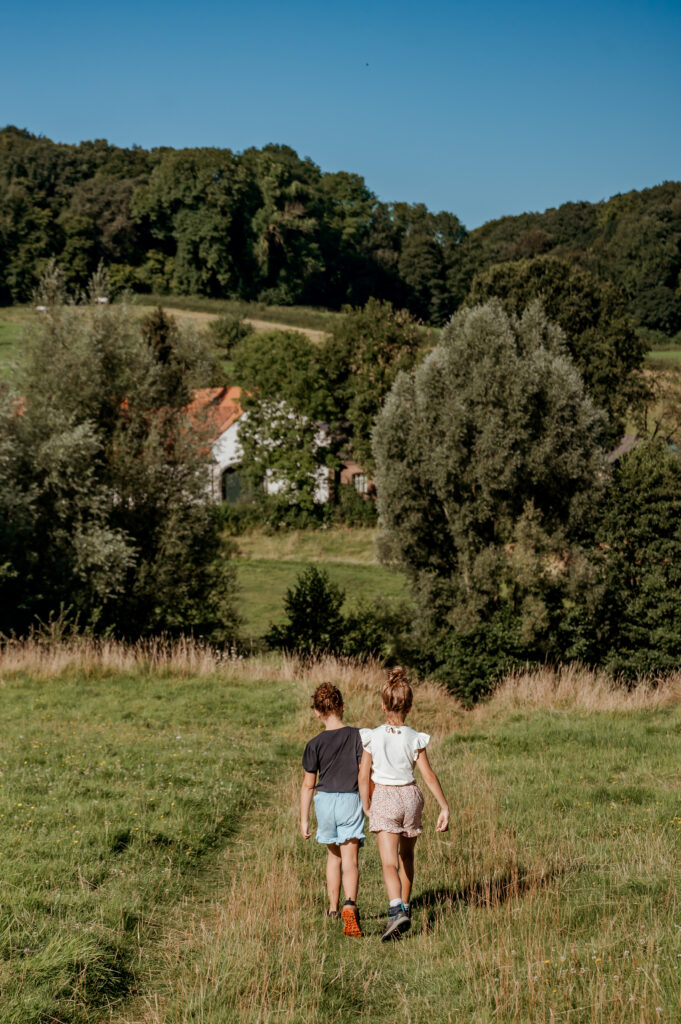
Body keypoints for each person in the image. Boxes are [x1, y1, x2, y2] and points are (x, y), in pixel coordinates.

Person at [359, 667, 450, 941]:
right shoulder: (414, 737)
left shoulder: (373, 736)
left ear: (382, 705)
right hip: (411, 796)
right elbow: (428, 775)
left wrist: (366, 804)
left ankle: (396, 910)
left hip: (386, 797)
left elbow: (363, 774)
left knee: (388, 862)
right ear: (409, 707)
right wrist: (444, 807)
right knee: (406, 857)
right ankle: (406, 907)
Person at [300, 682, 364, 937]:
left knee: (333, 857)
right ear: (343, 707)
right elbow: (363, 773)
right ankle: (350, 904)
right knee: (350, 860)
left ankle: (333, 909)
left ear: (317, 712)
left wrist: (304, 819)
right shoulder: (358, 737)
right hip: (350, 799)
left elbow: (308, 785)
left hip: (324, 802)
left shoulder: (314, 744)